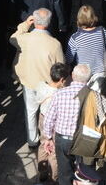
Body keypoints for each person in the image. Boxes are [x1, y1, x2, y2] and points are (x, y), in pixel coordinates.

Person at [10, 9, 65, 148]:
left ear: (34, 21)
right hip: (47, 85)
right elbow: (61, 65)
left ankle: (32, 141)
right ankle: (47, 139)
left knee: (30, 112)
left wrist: (24, 25)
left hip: (29, 82)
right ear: (49, 22)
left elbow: (12, 38)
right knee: (48, 113)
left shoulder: (24, 39)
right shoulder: (54, 43)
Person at [43, 63, 92, 185]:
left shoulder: (60, 94)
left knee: (65, 174)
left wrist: (48, 137)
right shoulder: (92, 95)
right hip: (82, 141)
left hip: (62, 141)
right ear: (88, 79)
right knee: (84, 174)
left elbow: (49, 119)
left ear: (72, 75)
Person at [36, 62, 69, 184]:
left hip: (42, 117)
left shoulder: (41, 86)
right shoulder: (59, 94)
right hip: (54, 122)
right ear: (61, 80)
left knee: (43, 144)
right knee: (53, 151)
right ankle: (54, 178)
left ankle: (42, 172)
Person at [66, 5, 106, 78]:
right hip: (100, 74)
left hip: (83, 75)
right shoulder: (104, 32)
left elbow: (69, 59)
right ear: (93, 17)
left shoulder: (75, 38)